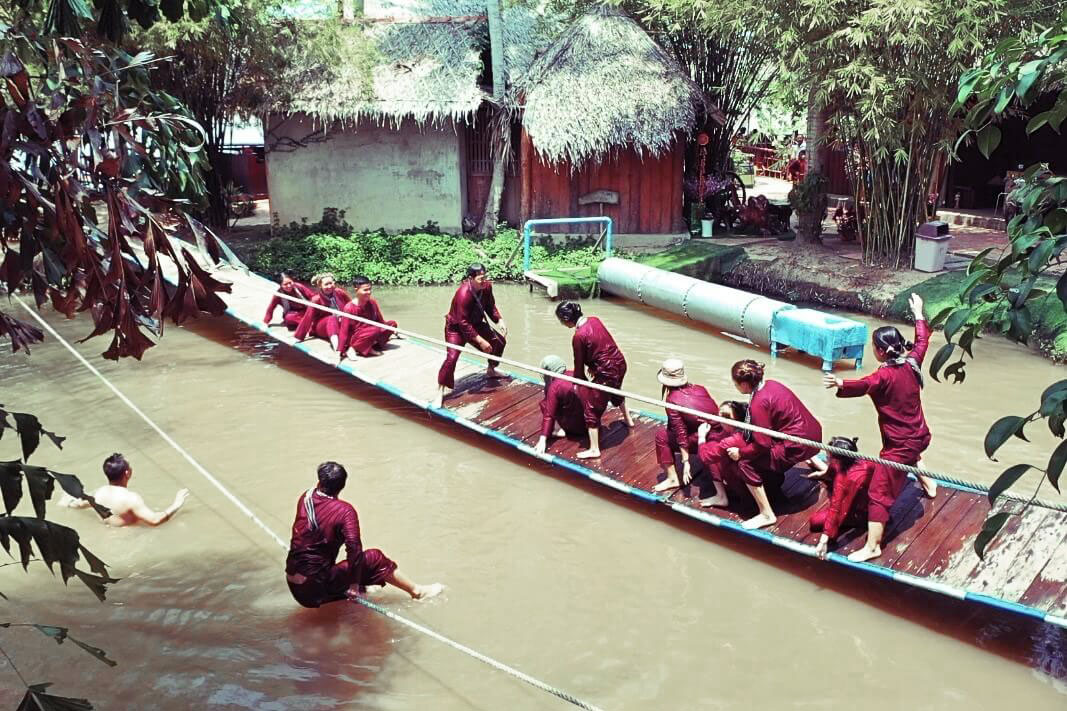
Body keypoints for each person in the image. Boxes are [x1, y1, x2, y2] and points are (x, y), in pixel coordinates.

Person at [823, 293, 936, 562]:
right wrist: (919, 313)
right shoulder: (912, 362)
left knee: (878, 493)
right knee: (908, 456)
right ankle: (929, 484)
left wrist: (840, 385)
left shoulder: (883, 375)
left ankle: (873, 546)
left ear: (881, 351)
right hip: (920, 436)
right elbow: (922, 341)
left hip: (900, 445)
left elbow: (864, 385)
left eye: (873, 346)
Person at [286, 461, 443, 608]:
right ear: (342, 487)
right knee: (375, 557)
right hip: (315, 590)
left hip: (294, 584)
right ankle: (418, 592)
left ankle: (360, 588)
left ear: (319, 482)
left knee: (343, 567)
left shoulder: (306, 496)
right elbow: (354, 548)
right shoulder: (345, 511)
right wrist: (353, 585)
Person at [701, 360, 822, 529]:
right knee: (780, 434)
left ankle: (766, 513)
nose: (736, 387)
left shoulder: (758, 403)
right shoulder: (772, 384)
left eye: (736, 384)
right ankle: (822, 466)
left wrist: (740, 453)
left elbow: (763, 445)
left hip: (799, 446)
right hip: (814, 435)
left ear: (744, 384)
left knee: (745, 463)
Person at [555, 301, 634, 459]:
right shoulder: (594, 320)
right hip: (620, 363)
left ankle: (594, 449)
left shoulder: (578, 336)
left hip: (606, 373)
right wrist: (594, 365)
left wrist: (580, 385)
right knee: (615, 392)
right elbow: (602, 346)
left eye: (561, 320)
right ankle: (628, 420)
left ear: (566, 319)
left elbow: (578, 365)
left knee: (591, 408)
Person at [434, 264, 508, 408]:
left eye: (485, 277)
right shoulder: (463, 293)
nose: (484, 281)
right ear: (470, 278)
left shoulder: (486, 287)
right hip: (456, 328)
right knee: (452, 358)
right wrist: (480, 341)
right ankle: (440, 390)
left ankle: (491, 370)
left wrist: (500, 320)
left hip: (475, 324)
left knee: (499, 342)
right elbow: (463, 323)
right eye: (480, 278)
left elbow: (490, 306)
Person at [59, 453, 189, 526]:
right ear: (127, 473)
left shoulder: (99, 493)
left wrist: (68, 503)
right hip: (129, 538)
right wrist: (176, 504)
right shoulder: (131, 499)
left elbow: (80, 504)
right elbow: (154, 520)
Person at [652, 358, 722, 492]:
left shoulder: (672, 400)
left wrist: (686, 462)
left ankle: (672, 478)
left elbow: (680, 431)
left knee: (661, 436)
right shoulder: (700, 388)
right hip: (716, 431)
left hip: (704, 436)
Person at [806, 437, 876, 559]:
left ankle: (852, 522)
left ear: (839, 460)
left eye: (830, 456)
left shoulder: (843, 479)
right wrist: (823, 474)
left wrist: (824, 540)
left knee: (815, 521)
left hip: (858, 511)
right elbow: (833, 467)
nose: (828, 457)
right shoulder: (866, 462)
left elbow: (836, 508)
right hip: (868, 501)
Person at [696, 400, 748, 508]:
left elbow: (706, 457)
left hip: (746, 485)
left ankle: (721, 496)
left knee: (710, 448)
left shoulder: (734, 438)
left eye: (724, 416)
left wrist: (701, 437)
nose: (719, 419)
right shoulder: (741, 428)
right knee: (713, 444)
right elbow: (719, 436)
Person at [533, 355, 587, 455]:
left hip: (577, 428)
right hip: (590, 424)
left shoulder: (555, 386)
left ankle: (557, 430)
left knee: (545, 403)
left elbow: (548, 415)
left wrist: (542, 439)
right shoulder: (576, 373)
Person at [337, 275, 397, 360]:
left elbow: (381, 321)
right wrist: (339, 351)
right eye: (365, 290)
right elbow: (344, 331)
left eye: (370, 289)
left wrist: (393, 331)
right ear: (356, 289)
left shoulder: (372, 302)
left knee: (392, 324)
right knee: (375, 330)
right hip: (356, 337)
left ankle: (367, 346)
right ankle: (353, 348)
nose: (369, 292)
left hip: (371, 332)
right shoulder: (349, 308)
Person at [294, 273, 351, 350]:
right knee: (332, 318)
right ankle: (337, 347)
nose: (330, 286)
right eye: (326, 284)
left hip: (341, 322)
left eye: (331, 283)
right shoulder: (316, 299)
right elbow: (308, 318)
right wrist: (299, 337)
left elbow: (351, 306)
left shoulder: (339, 292)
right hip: (322, 327)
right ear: (320, 286)